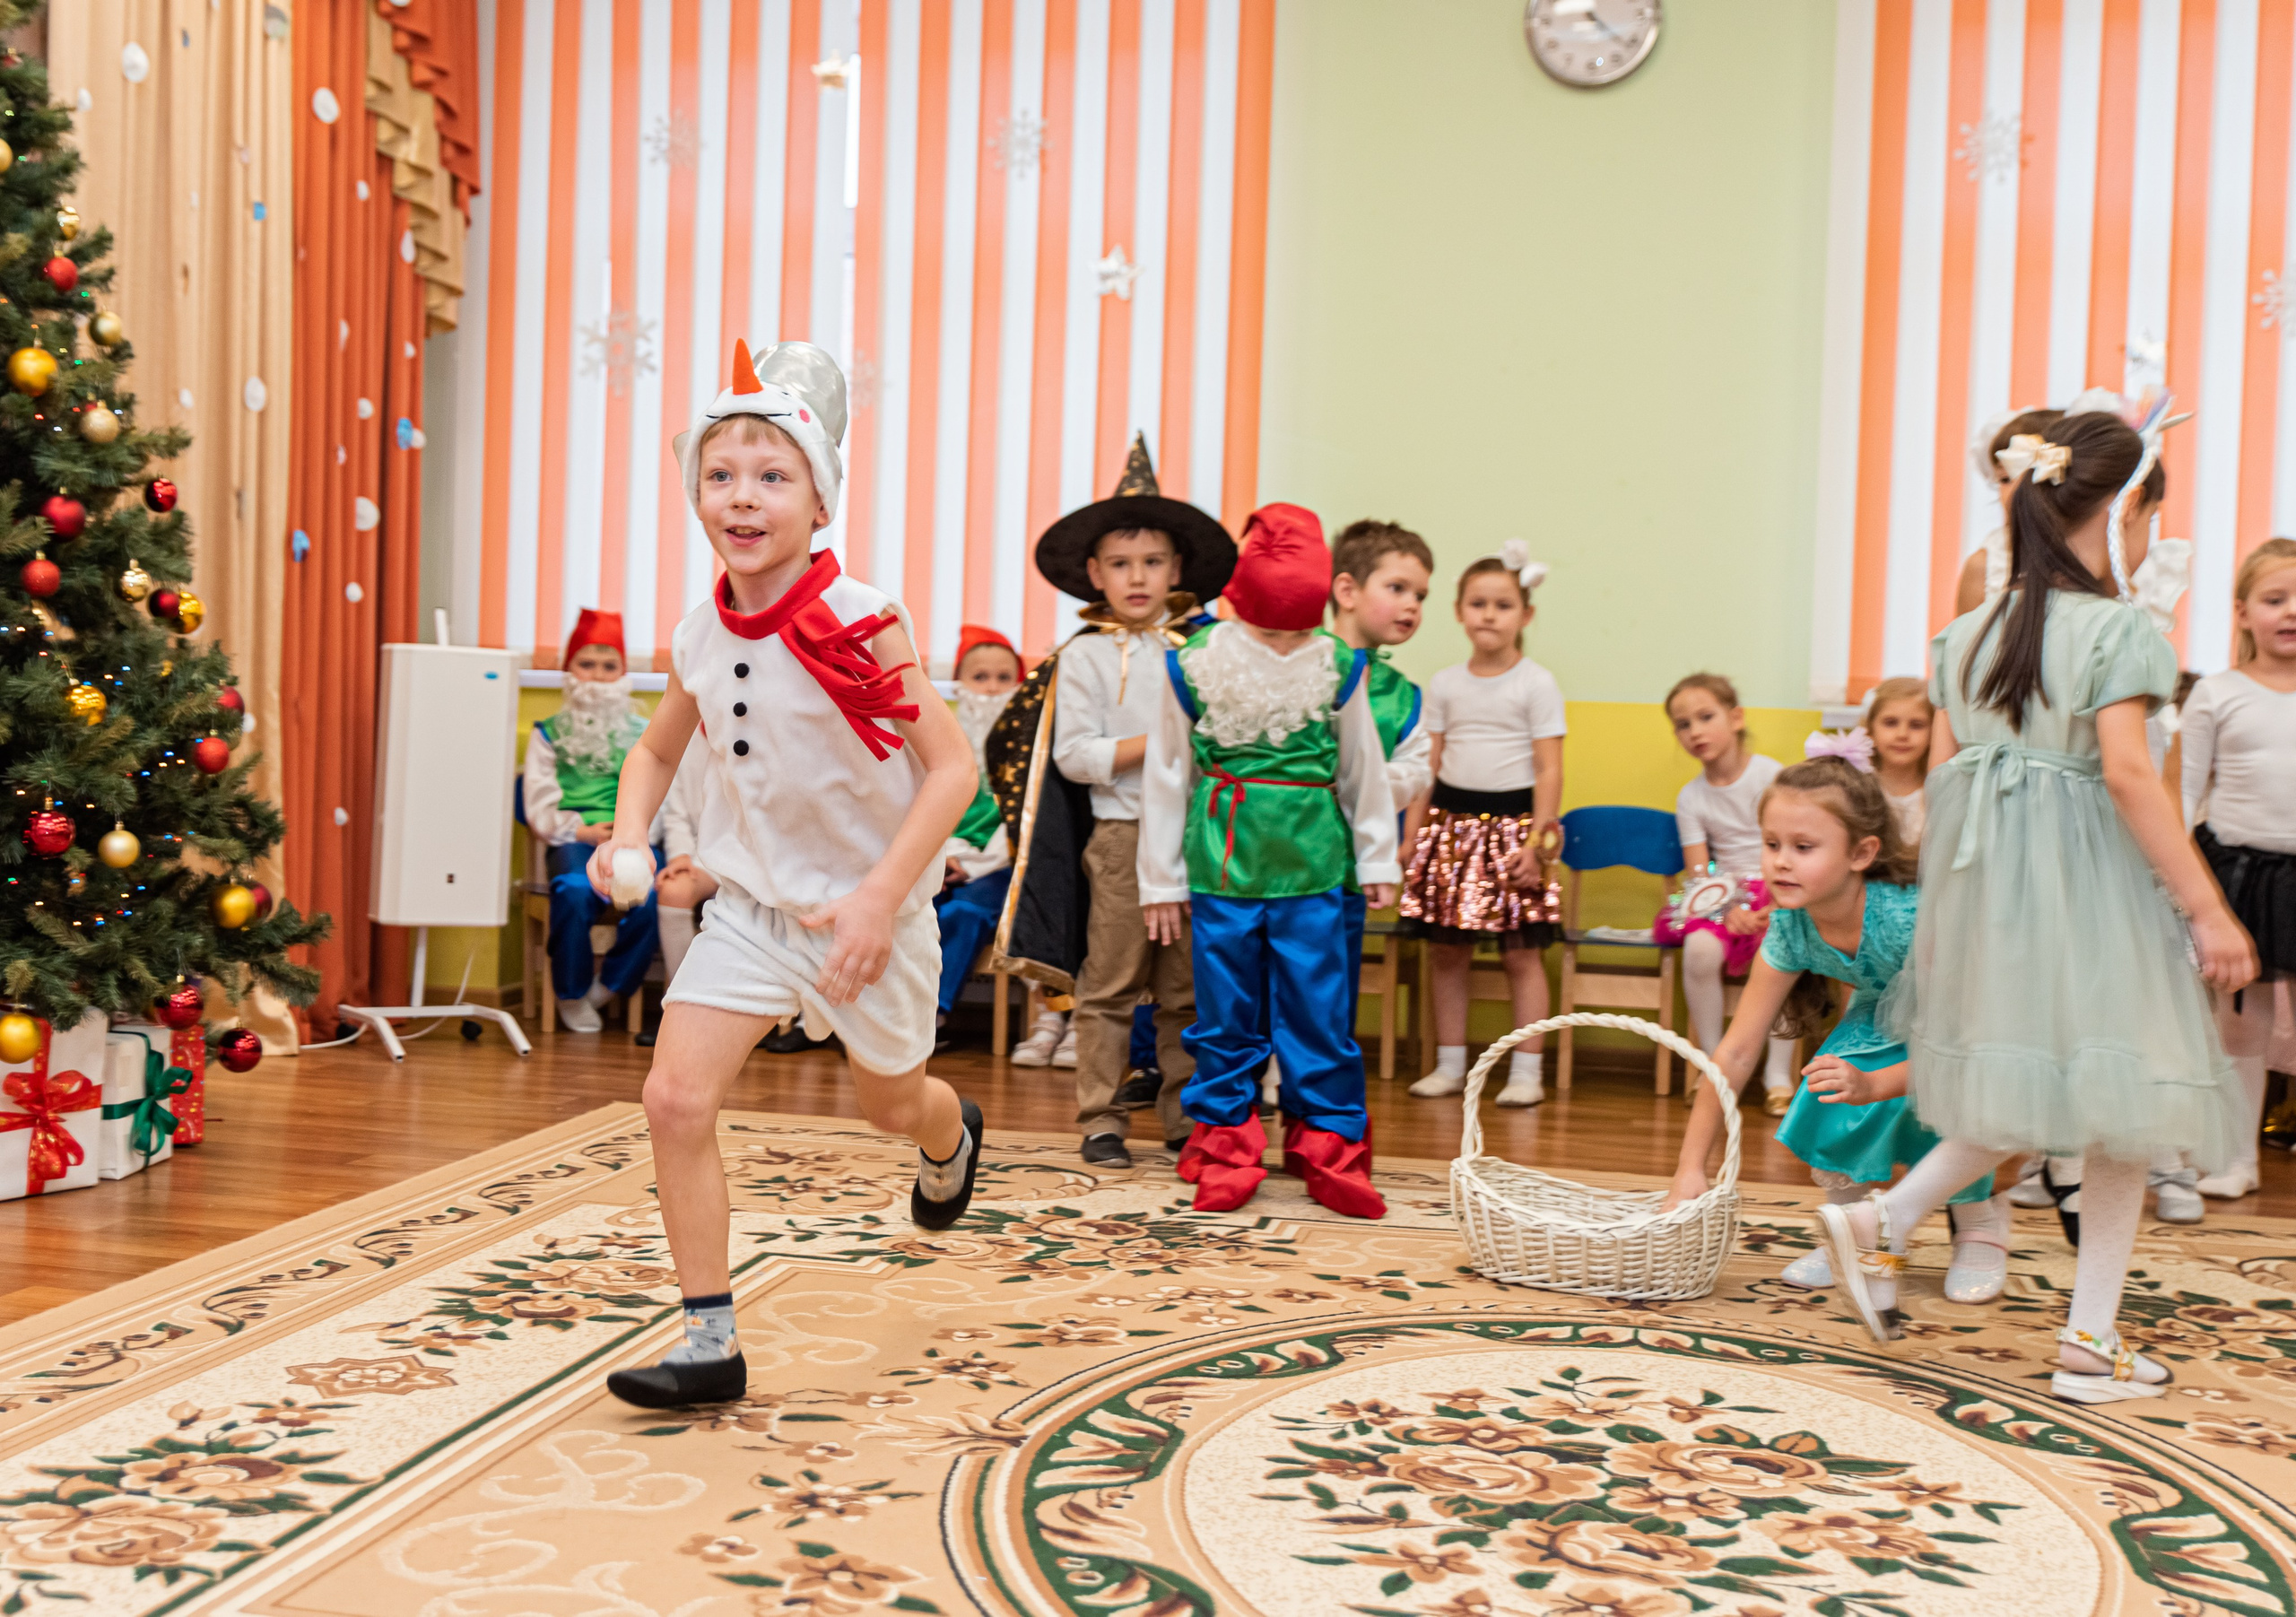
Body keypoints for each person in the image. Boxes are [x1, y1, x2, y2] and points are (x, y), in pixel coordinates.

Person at [1811, 406, 2257, 1404]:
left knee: (2067, 1088)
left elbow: (1953, 771)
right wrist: (2207, 910)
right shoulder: (2119, 631)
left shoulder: (1965, 633)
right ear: (2125, 509)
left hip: (1996, 891)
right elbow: (2132, 780)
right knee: (2120, 1098)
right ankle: (2083, 1342)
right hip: (2089, 895)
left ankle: (1891, 1226)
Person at [589, 339, 983, 1409]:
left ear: (820, 499)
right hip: (754, 912)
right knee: (673, 1099)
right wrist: (629, 832)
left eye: (772, 475)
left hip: (876, 921)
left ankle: (949, 1136)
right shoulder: (699, 631)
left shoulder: (865, 619)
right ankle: (709, 1339)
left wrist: (875, 902)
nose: (742, 497)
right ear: (695, 495)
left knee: (888, 1105)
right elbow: (658, 750)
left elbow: (952, 771)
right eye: (720, 476)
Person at [1658, 752, 2009, 1303]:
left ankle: (1980, 1222)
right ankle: (1849, 1229)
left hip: (1972, 1019)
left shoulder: (1910, 919)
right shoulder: (1791, 929)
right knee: (1830, 1079)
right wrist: (1688, 1171)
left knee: (1945, 1099)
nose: (1779, 863)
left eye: (1803, 847)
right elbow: (1737, 1049)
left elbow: (1961, 1041)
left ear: (1861, 853)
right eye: (1771, 844)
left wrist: (1877, 1084)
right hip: (1884, 1010)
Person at [1140, 503, 1400, 1215]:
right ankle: (1225, 1141)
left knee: (1320, 1015)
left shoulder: (1338, 666)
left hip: (1314, 869)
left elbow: (1364, 773)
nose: (1284, 643)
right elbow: (1165, 777)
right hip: (1222, 866)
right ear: (1241, 605)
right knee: (1227, 1015)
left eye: (1296, 629)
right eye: (1269, 628)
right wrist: (1159, 880)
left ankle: (1329, 1146)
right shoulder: (1193, 665)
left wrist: (1378, 861)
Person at [1033, 439, 1236, 1167]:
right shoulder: (1084, 657)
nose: (1137, 576)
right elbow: (1074, 756)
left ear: (1177, 569)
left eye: (1152, 562)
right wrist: (1162, 743)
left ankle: (1184, 1117)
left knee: (1187, 988)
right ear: (1095, 574)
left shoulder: (1205, 651)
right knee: (1112, 984)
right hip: (1119, 840)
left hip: (1194, 841)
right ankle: (1101, 1117)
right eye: (1120, 564)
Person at [1400, 543, 1565, 1108]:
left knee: (1522, 954)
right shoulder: (1444, 685)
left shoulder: (1536, 683)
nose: (1489, 614)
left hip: (1516, 830)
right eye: (1478, 603)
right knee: (1447, 952)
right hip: (1451, 829)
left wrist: (1540, 842)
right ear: (1459, 610)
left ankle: (1526, 1071)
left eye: (1502, 604)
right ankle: (1450, 1065)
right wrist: (1411, 840)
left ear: (1526, 615)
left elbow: (1548, 766)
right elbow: (1428, 766)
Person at [2180, 537, 2296, 1200]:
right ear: (2242, 611)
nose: (2290, 611)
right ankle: (2235, 1156)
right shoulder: (2218, 693)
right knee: (2241, 1023)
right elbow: (2186, 794)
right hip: (2242, 875)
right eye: (2274, 599)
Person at [1650, 674, 1797, 1112]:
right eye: (1682, 724)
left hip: (1780, 888)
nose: (1694, 731)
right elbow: (1699, 872)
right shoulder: (1691, 797)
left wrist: (1772, 905)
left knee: (1785, 946)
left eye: (1705, 717)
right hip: (1722, 894)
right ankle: (1714, 1067)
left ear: (1735, 718)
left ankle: (1777, 1075)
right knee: (1697, 948)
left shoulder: (1772, 776)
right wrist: (1729, 907)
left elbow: (1790, 845)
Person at [523, 609, 660, 1033]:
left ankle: (608, 986)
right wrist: (580, 831)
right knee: (574, 891)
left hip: (632, 839)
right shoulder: (547, 734)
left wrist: (628, 834)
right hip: (575, 841)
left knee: (651, 896)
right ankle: (570, 992)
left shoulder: (646, 733)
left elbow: (662, 793)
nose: (598, 677)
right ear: (569, 670)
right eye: (587, 664)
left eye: (609, 666)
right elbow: (537, 804)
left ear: (623, 672)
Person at [1329, 518, 1436, 1029]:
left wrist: (1361, 785)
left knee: (1332, 997)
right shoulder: (1297, 668)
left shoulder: (1402, 695)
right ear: (1346, 590)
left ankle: (1314, 1097)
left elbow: (1416, 772)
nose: (1412, 605)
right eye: (1397, 588)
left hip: (1346, 873)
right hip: (1272, 865)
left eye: (1420, 595)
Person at [933, 626, 1024, 1047]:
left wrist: (971, 864)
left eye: (1004, 678)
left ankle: (933, 1017)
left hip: (998, 865)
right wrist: (944, 854)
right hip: (937, 857)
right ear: (959, 682)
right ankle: (885, 1019)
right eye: (980, 677)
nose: (991, 689)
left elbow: (1023, 821)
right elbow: (921, 802)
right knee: (907, 911)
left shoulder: (1029, 745)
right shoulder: (938, 735)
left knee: (963, 914)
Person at [1955, 407, 2065, 616]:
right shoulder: (1983, 567)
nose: (2016, 492)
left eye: (2029, 476)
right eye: (2005, 479)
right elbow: (1963, 646)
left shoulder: (2095, 555)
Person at [1864, 677, 1933, 847]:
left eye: (1916, 725)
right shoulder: (1857, 786)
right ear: (1871, 730)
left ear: (1933, 733)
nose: (1902, 734)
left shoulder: (1936, 792)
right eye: (1890, 723)